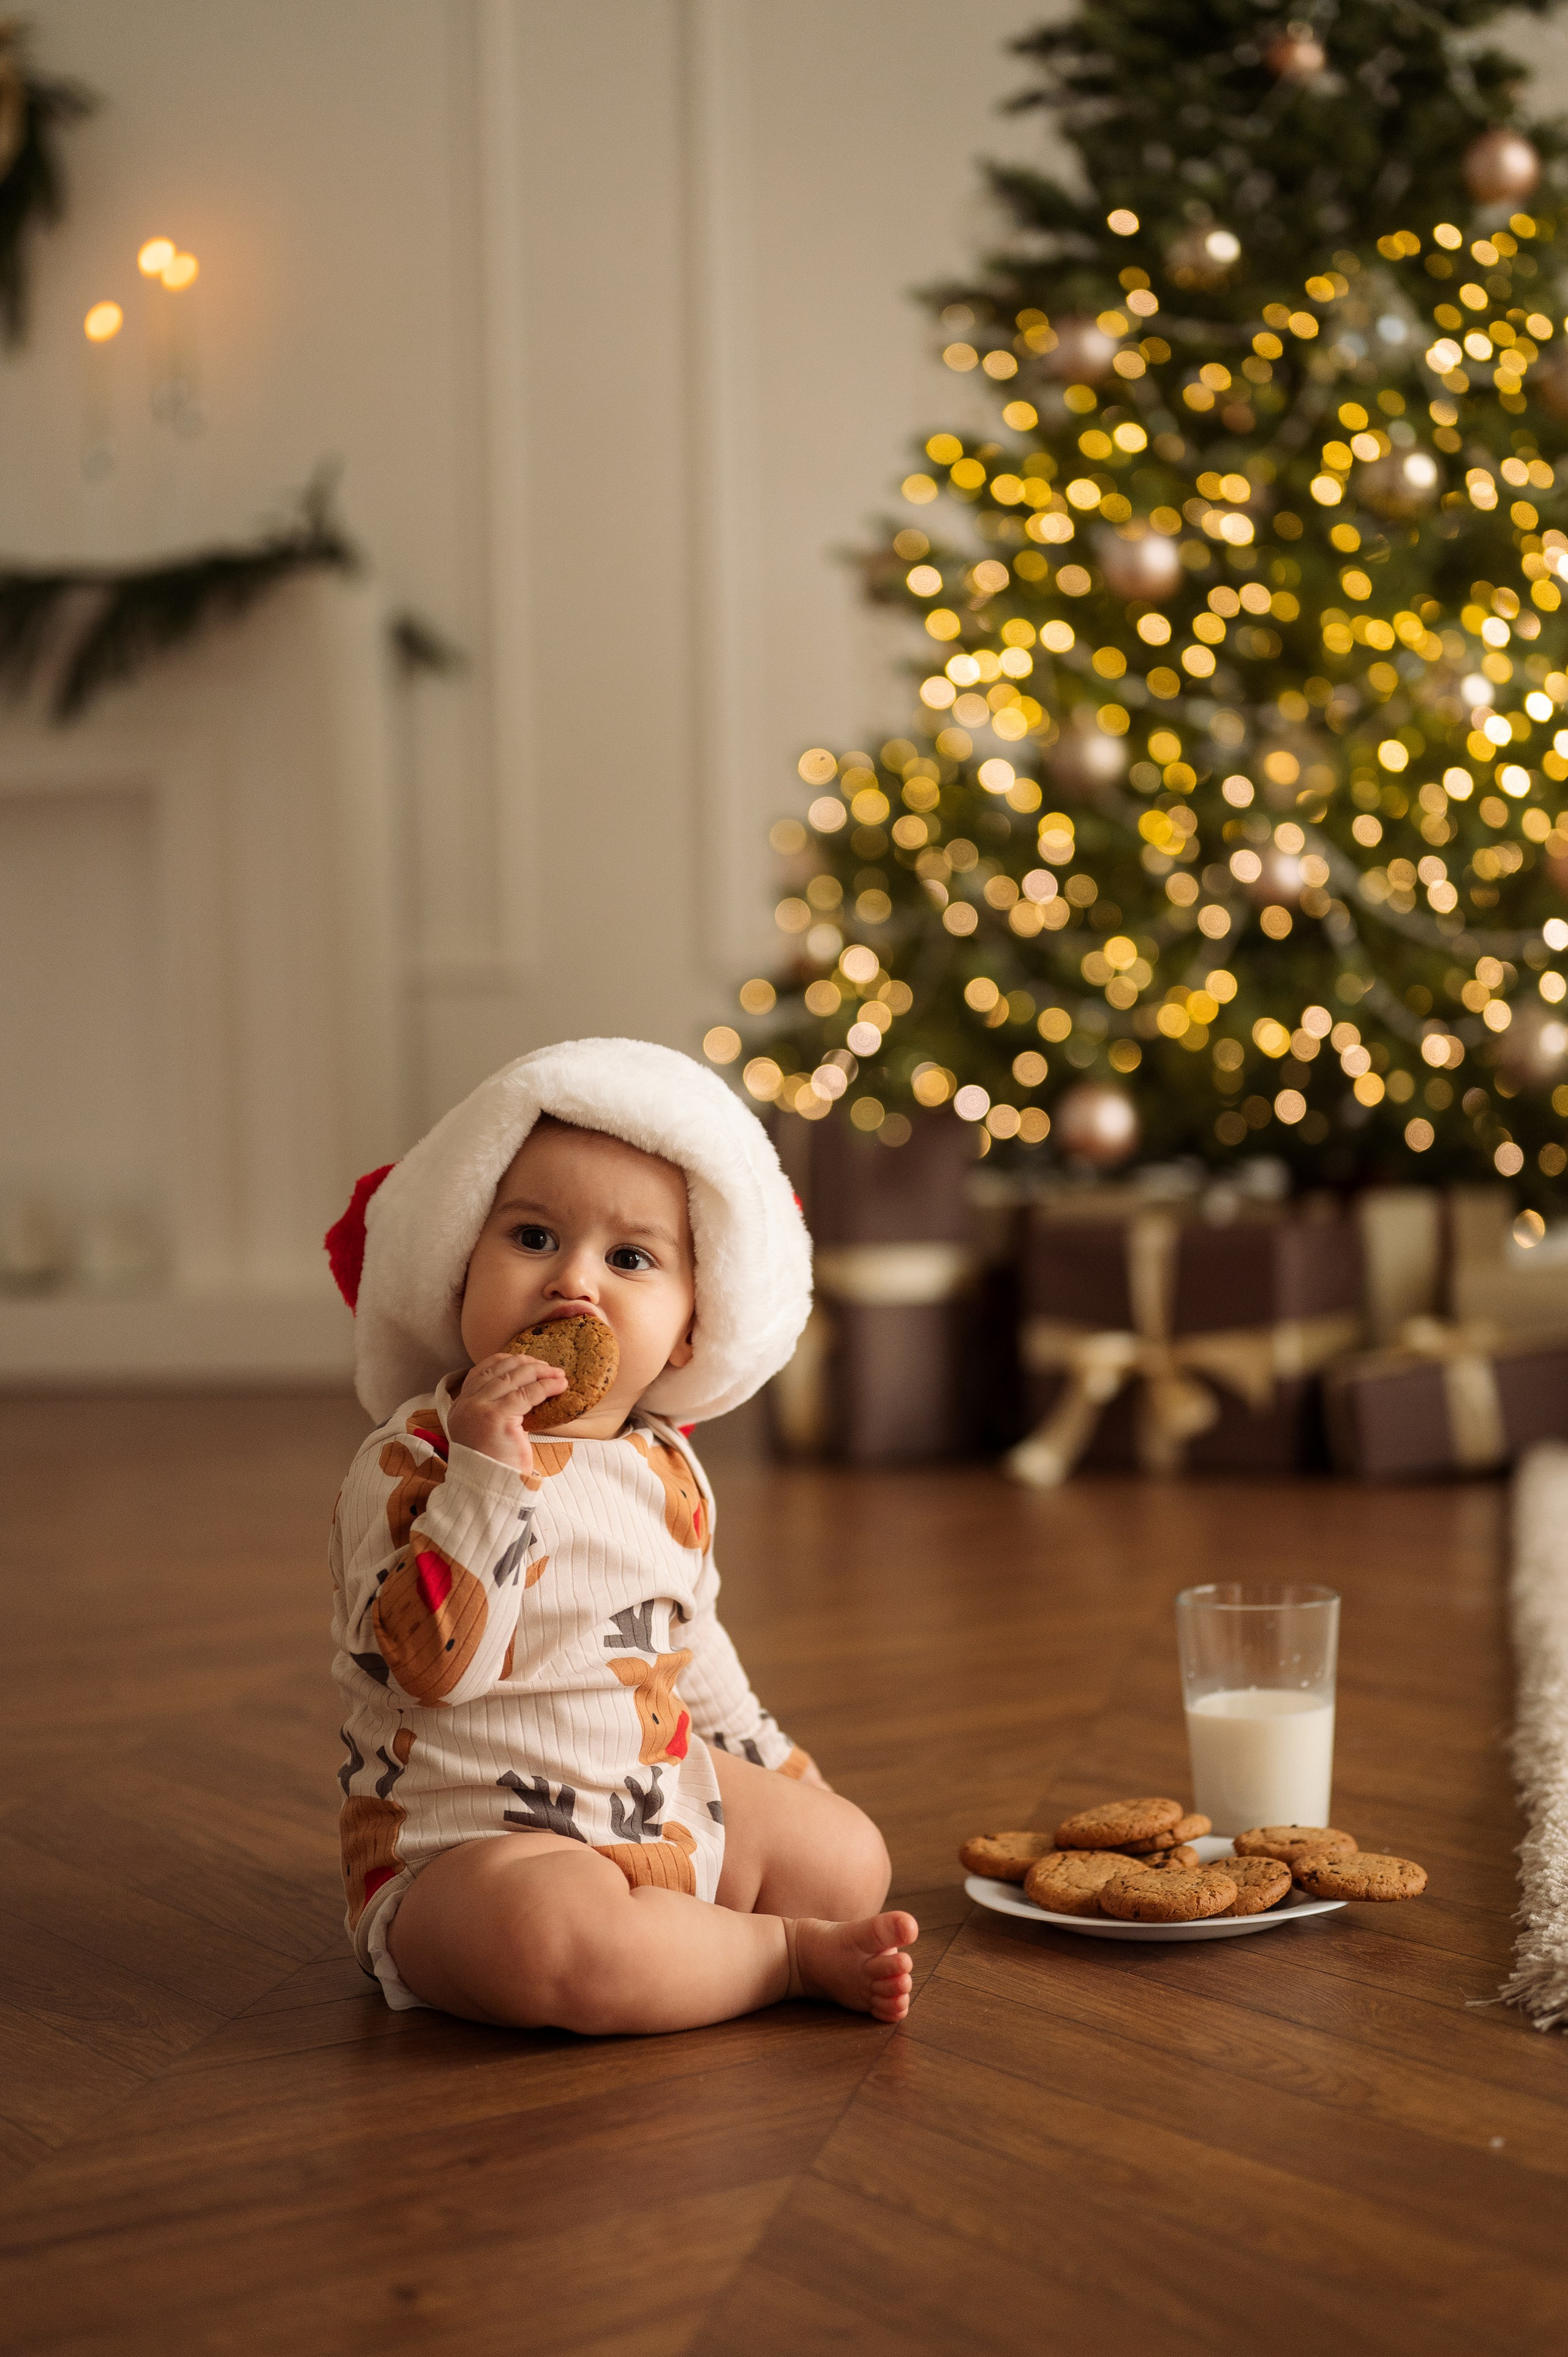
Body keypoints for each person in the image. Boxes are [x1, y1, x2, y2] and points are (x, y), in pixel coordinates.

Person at [325, 1037, 917, 2032]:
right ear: (458, 1270)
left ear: (688, 1331)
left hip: (653, 1797)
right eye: (532, 1239)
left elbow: (690, 1644)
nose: (576, 1286)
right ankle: (773, 1959)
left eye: (630, 1259)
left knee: (849, 1856)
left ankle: (688, 1932)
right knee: (551, 1941)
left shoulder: (663, 1466)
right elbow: (432, 1669)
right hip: (477, 1851)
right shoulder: (413, 1462)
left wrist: (782, 1773)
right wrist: (487, 1472)